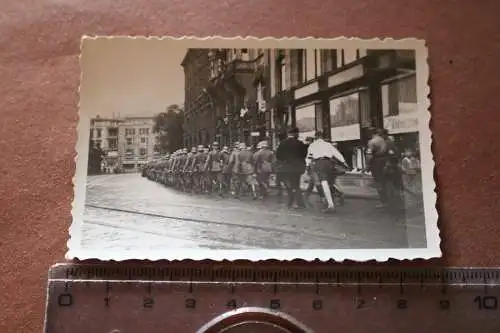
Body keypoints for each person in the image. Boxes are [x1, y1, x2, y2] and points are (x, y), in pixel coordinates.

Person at [307, 131, 348, 213]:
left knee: (324, 183)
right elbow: (337, 154)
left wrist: (308, 165)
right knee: (330, 182)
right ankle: (337, 195)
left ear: (315, 137)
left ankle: (331, 205)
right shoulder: (328, 144)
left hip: (319, 163)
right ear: (322, 136)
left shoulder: (312, 145)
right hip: (329, 163)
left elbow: (309, 157)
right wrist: (344, 163)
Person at [275, 127, 308, 209]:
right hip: (297, 168)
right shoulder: (300, 143)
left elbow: (278, 156)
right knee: (296, 185)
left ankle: (291, 202)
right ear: (295, 134)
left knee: (290, 185)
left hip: (287, 167)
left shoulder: (282, 143)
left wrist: (285, 160)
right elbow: (304, 154)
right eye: (298, 133)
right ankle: (299, 203)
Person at [366, 128, 390, 208]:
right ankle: (387, 200)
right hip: (385, 161)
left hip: (376, 163)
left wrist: (367, 165)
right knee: (384, 182)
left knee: (378, 182)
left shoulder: (372, 142)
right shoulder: (383, 140)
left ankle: (384, 202)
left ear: (370, 133)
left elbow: (369, 155)